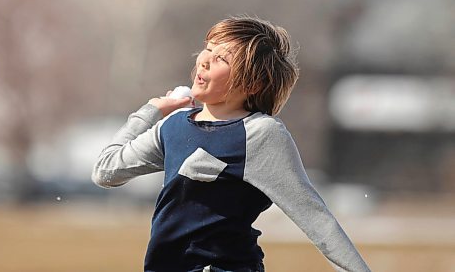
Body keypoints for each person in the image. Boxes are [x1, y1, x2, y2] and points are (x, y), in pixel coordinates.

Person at [92, 15, 371, 272]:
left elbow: (317, 220)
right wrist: (152, 110)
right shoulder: (173, 125)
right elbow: (106, 171)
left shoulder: (261, 134)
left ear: (253, 84)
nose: (204, 60)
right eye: (208, 48)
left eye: (222, 58)